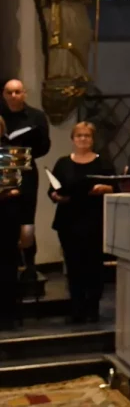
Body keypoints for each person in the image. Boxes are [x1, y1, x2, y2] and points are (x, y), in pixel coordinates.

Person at [48, 121, 116, 323]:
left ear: (92, 139)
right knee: (73, 265)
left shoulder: (102, 162)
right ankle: (76, 307)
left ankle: (92, 306)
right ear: (73, 139)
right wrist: (56, 196)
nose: (83, 139)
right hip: (68, 221)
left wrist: (104, 188)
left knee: (94, 266)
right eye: (79, 136)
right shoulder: (63, 163)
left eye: (87, 136)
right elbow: (52, 189)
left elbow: (116, 186)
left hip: (94, 220)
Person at [0, 114, 39, 329]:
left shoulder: (14, 153)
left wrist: (27, 222)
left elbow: (26, 189)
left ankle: (8, 314)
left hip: (7, 216)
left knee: (7, 265)